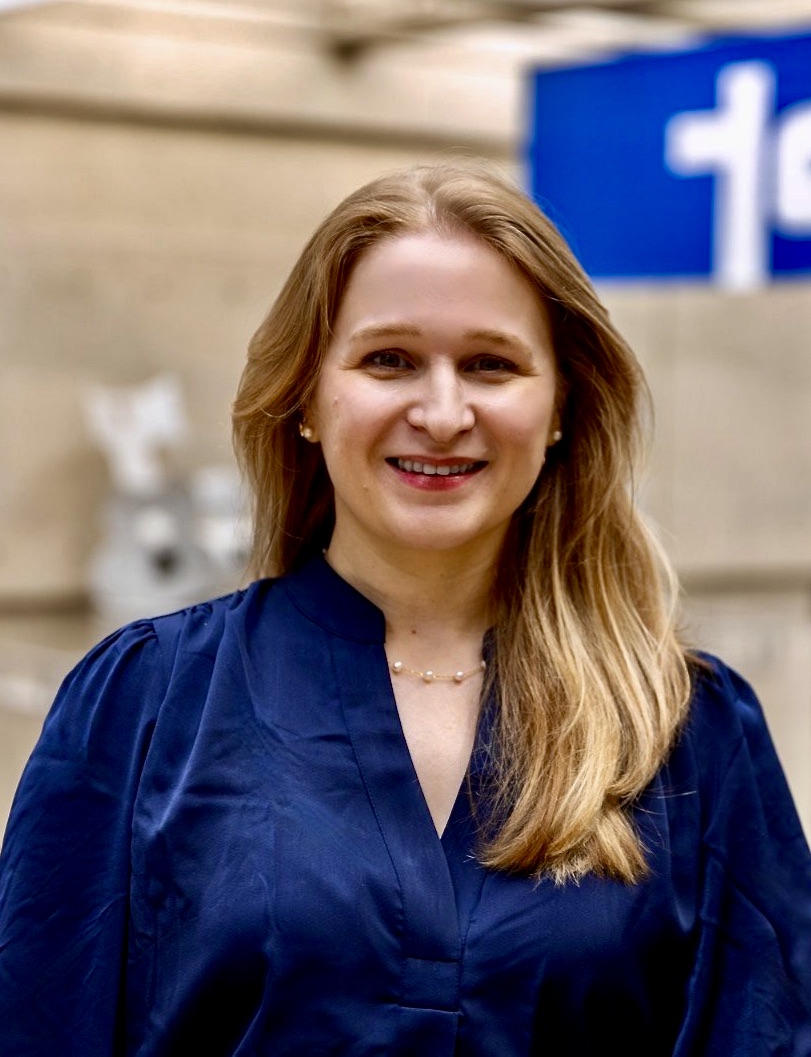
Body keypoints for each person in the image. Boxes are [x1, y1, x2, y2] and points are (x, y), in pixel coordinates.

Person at [1, 161, 809, 1056]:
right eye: (388, 360)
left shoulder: (687, 730)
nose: (441, 409)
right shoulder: (143, 705)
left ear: (559, 409)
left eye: (489, 365)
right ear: (306, 395)